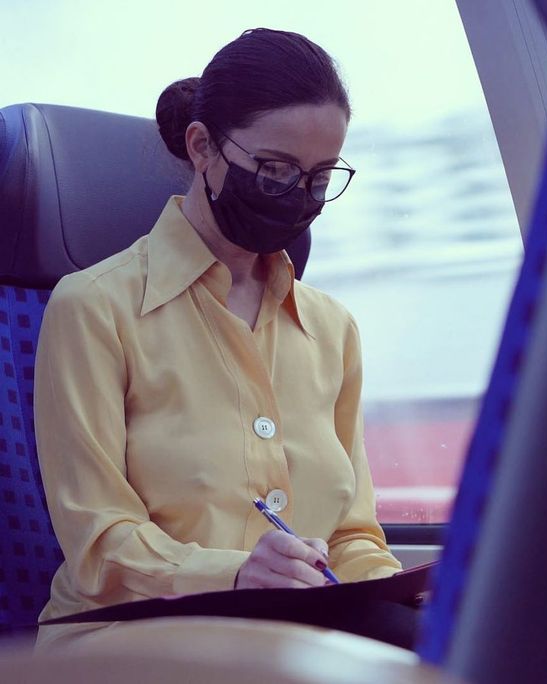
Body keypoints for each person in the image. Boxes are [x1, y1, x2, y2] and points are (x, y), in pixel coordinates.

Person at [34, 27, 402, 649]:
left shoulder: (331, 328)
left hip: (285, 633)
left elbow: (352, 537)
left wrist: (409, 593)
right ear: (202, 146)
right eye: (275, 168)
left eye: (318, 177)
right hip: (124, 634)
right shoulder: (94, 307)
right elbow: (99, 542)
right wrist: (235, 573)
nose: (296, 195)